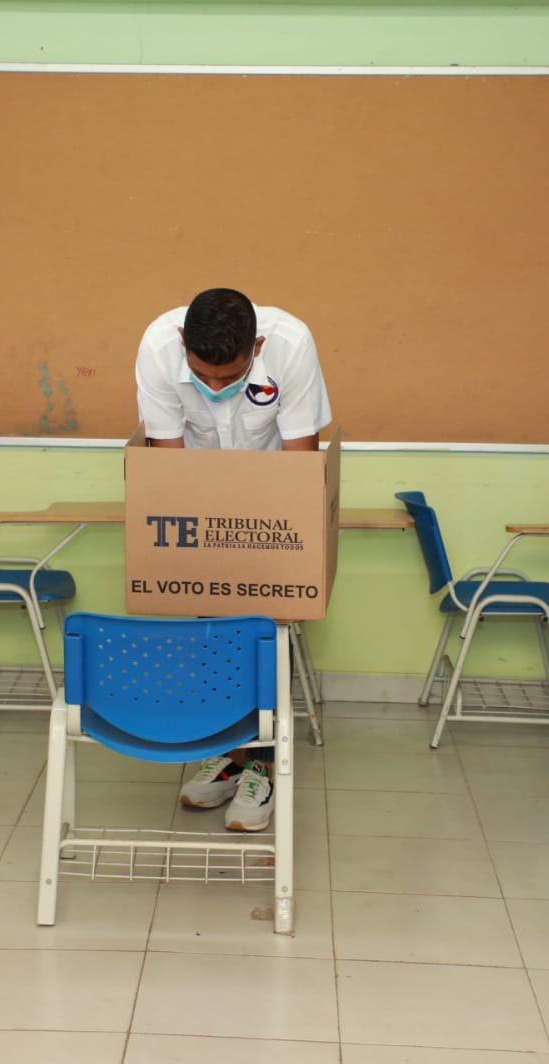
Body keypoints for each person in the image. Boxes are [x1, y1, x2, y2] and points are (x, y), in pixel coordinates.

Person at [136, 287, 332, 831]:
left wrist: (280, 547)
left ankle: (260, 769)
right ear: (182, 343)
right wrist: (203, 553)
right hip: (198, 501)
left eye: (229, 378)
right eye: (203, 376)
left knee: (262, 632)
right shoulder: (157, 348)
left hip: (273, 505)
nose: (215, 389)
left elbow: (299, 464)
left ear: (258, 345)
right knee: (212, 629)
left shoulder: (290, 344)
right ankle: (227, 756)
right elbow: (169, 468)